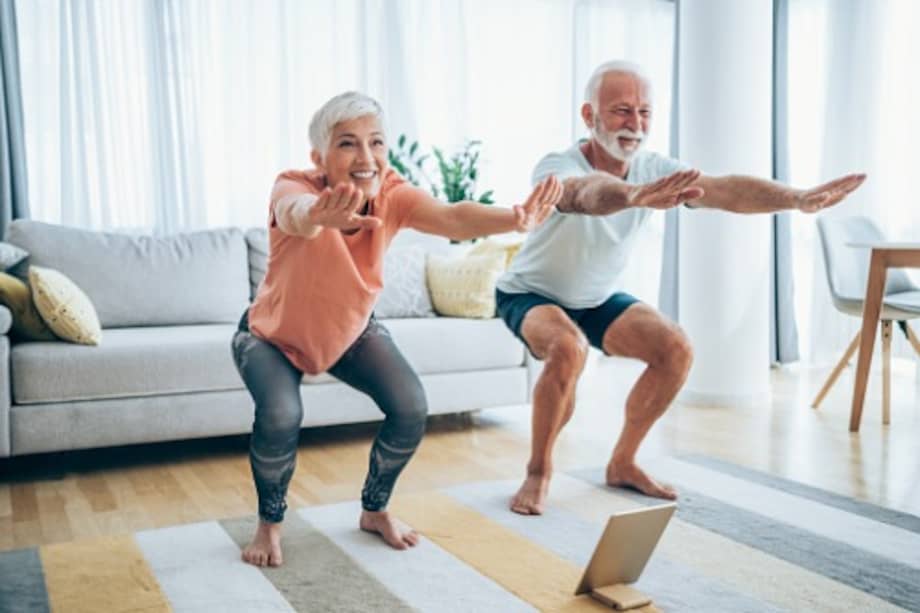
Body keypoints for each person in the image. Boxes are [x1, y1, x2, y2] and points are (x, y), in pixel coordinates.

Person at [495, 60, 866, 515]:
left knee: (675, 349)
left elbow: (724, 190)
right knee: (569, 348)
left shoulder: (654, 167)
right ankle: (538, 472)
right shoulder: (557, 165)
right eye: (621, 111)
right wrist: (632, 195)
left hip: (595, 297)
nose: (635, 124)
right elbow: (581, 194)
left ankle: (623, 462)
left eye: (644, 112)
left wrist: (797, 198)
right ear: (589, 116)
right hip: (530, 293)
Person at [231, 91, 565, 567]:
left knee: (410, 407)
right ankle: (270, 525)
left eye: (376, 142)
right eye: (347, 144)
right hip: (270, 336)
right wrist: (318, 215)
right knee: (281, 415)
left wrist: (515, 218)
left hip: (348, 330)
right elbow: (294, 214)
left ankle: (375, 510)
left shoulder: (391, 193)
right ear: (319, 157)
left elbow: (452, 217)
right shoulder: (293, 185)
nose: (366, 157)